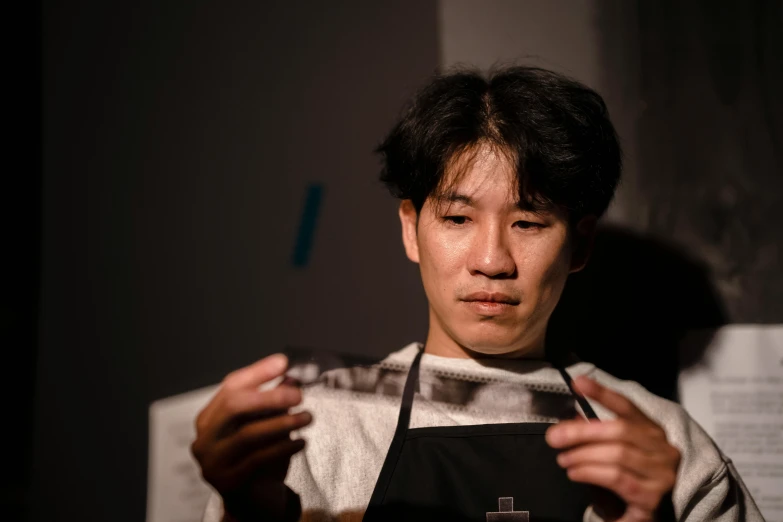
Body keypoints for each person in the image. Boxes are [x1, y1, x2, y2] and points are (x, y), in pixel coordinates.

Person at [192, 66, 764, 522]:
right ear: (410, 228)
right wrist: (247, 510)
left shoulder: (662, 445)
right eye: (459, 218)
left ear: (580, 244)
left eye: (530, 222)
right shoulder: (312, 434)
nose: (492, 261)